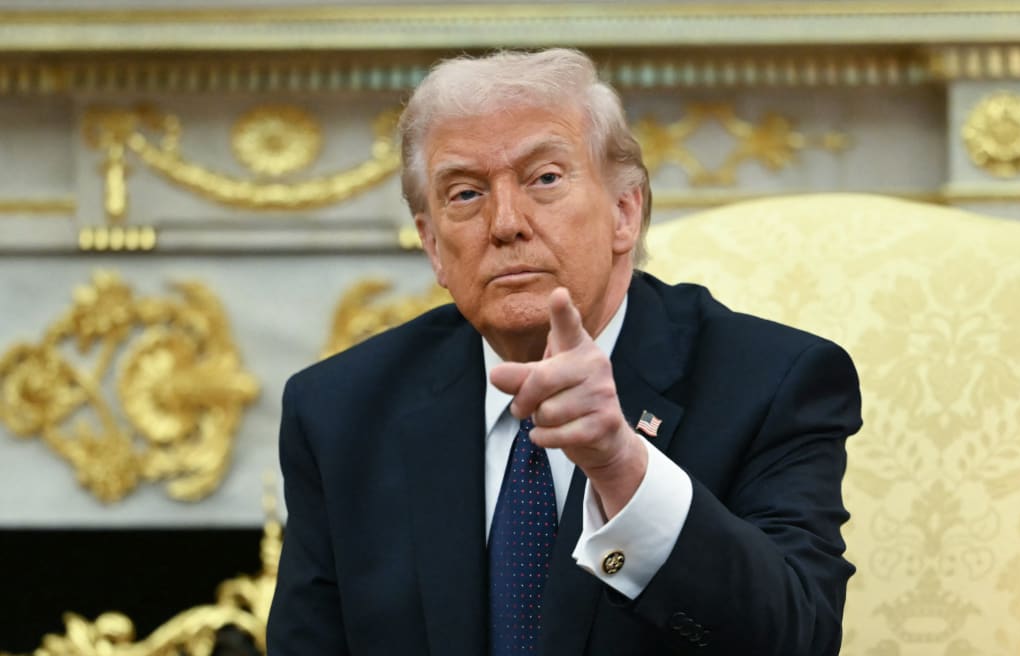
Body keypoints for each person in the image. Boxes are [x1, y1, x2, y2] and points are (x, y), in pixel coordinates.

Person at [267, 48, 861, 656]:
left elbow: (798, 638)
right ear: (433, 246)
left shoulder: (772, 382)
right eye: (466, 193)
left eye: (544, 179)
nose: (505, 223)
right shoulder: (339, 412)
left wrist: (620, 467)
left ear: (624, 212)